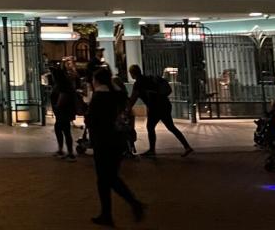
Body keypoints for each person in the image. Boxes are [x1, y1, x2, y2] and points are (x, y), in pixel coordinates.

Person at [88, 67, 144, 226]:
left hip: (102, 141)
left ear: (97, 80)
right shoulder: (117, 93)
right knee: (110, 177)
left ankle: (127, 206)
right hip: (118, 140)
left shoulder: (99, 96)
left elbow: (91, 120)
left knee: (106, 178)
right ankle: (110, 213)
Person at [127, 64, 193, 157]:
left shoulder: (138, 83)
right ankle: (187, 146)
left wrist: (127, 109)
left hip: (155, 107)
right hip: (165, 104)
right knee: (171, 127)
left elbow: (133, 99)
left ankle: (152, 150)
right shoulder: (149, 78)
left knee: (150, 127)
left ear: (132, 74)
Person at [51, 66, 77, 160]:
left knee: (63, 129)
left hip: (63, 111)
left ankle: (68, 152)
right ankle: (64, 150)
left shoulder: (61, 85)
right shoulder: (63, 84)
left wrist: (57, 106)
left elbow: (63, 96)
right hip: (63, 111)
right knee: (63, 130)